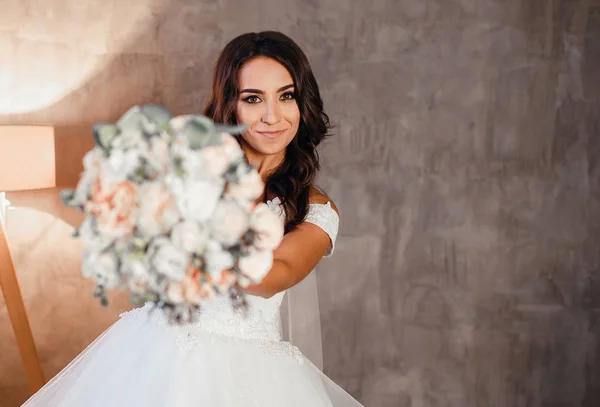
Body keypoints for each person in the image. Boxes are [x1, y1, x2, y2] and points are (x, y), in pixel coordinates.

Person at [21, 31, 363, 406]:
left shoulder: (315, 208)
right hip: (152, 356)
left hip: (253, 377)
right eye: (253, 99)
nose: (272, 116)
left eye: (286, 96)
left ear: (303, 104)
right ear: (231, 105)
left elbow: (275, 273)